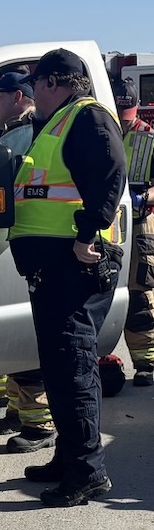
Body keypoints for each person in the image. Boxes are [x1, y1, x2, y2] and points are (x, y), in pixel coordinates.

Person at [9, 48, 126, 507]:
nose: (32, 92)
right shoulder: (57, 122)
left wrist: (87, 233)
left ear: (54, 82)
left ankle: (87, 472)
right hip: (55, 266)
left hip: (76, 262)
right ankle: (70, 456)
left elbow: (110, 176)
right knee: (59, 367)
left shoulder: (87, 118)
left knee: (74, 368)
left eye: (36, 83)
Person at [0, 72, 56, 452]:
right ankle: (18, 410)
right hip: (23, 244)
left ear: (19, 97)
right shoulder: (16, 134)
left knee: (26, 334)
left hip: (30, 244)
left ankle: (39, 424)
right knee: (17, 330)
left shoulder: (23, 137)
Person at [112, 78, 154, 387]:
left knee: (140, 293)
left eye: (127, 114)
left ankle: (146, 363)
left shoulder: (149, 138)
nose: (124, 121)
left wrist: (143, 198)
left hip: (140, 223)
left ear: (136, 107)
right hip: (109, 224)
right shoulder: (103, 133)